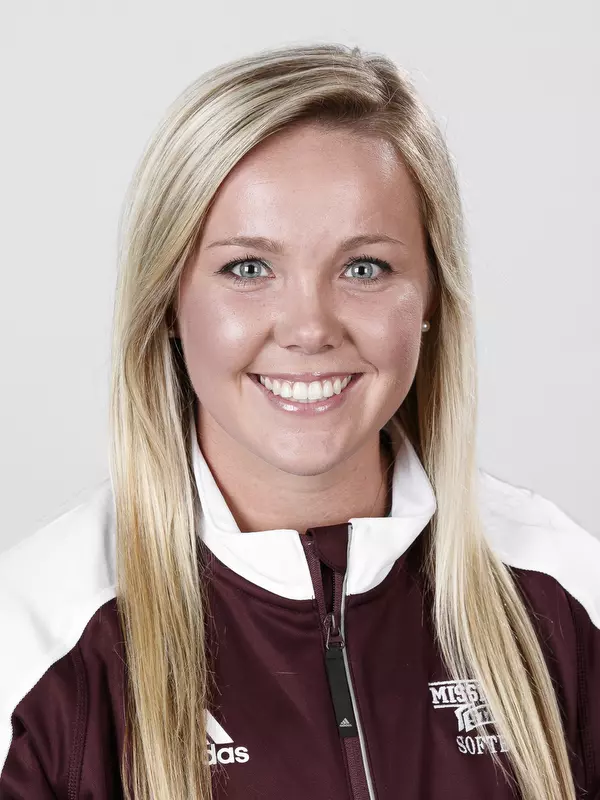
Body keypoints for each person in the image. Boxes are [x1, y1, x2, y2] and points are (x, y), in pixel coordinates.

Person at [0, 42, 598, 800]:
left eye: (364, 267)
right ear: (169, 305)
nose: (309, 327)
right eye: (248, 268)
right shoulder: (31, 642)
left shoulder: (568, 590)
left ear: (431, 299)